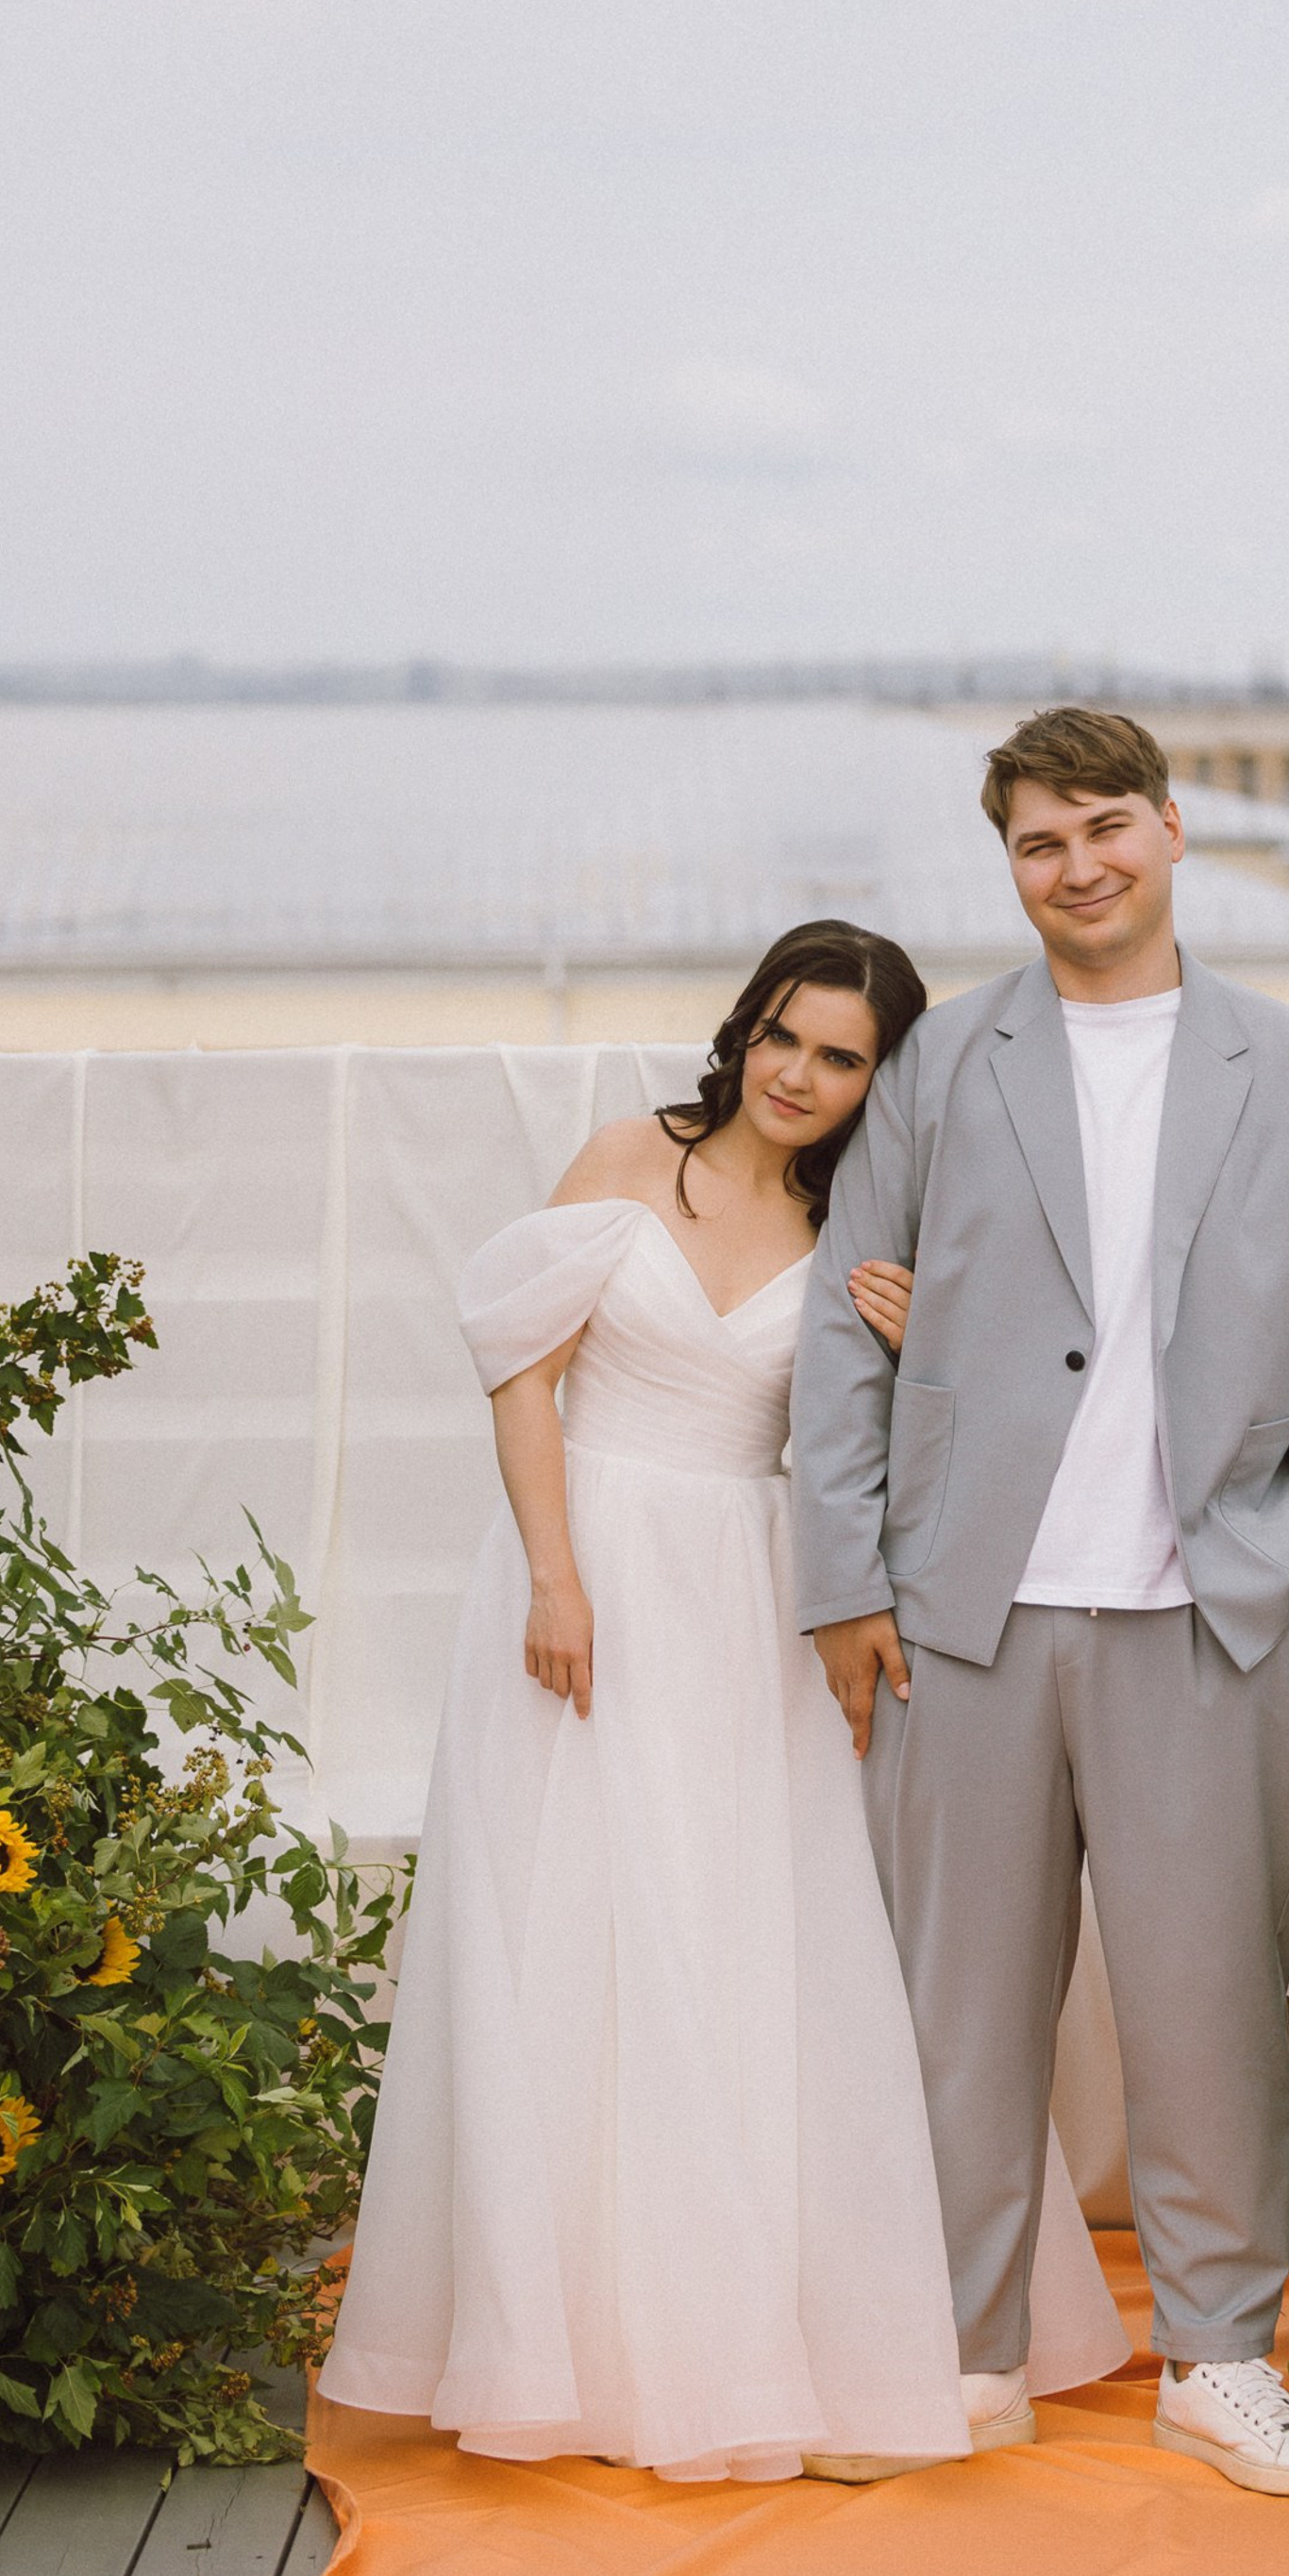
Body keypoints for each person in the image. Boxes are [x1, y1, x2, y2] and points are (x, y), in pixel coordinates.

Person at [320, 918, 1124, 2484]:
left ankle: (785, 2331)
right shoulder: (629, 1157)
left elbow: (933, 1439)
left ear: (877, 1079)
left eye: (840, 1055)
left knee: (753, 1940)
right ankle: (576, 2342)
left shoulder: (867, 1232)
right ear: (744, 1027)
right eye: (781, 1034)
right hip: (588, 1571)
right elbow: (519, 1373)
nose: (798, 1075)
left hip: (751, 1594)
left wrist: (920, 1345)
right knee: (577, 1932)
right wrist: (557, 1579)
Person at [792, 709, 1289, 2498]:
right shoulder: (942, 1066)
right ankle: (961, 2353)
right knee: (956, 2010)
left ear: (1172, 829)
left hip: (1209, 1618)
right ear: (1012, 867)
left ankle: (1218, 2359)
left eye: (1106, 828)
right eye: (1040, 843)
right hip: (960, 1614)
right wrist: (845, 1582)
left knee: (1211, 2007)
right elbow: (849, 1318)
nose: (1079, 868)